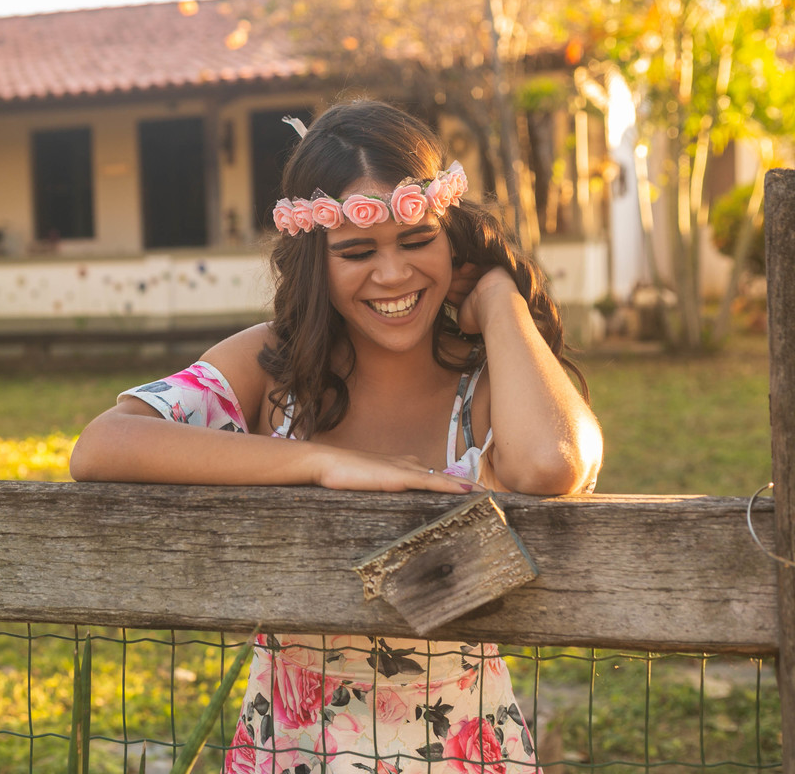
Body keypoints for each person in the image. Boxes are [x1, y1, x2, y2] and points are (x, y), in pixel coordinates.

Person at [70, 99, 602, 774]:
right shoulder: (272, 371)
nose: (392, 275)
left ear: (450, 236)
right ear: (316, 260)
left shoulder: (485, 382)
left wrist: (498, 296)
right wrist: (318, 461)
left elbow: (552, 462)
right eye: (356, 251)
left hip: (457, 751)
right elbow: (102, 446)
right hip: (292, 749)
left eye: (417, 241)